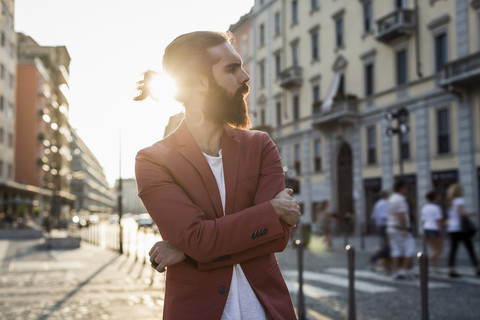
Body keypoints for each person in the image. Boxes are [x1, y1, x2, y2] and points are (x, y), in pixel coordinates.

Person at [135, 31, 300, 320]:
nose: (245, 77)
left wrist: (186, 250)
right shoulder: (153, 161)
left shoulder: (260, 145)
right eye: (231, 68)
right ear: (199, 81)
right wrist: (269, 211)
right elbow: (200, 240)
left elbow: (278, 237)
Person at [445, 183, 480, 277]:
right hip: (460, 228)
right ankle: (477, 268)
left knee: (453, 250)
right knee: (470, 248)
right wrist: (472, 213)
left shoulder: (450, 202)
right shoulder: (459, 200)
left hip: (452, 228)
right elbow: (462, 213)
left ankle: (451, 269)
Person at [387, 180, 416, 280]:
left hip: (392, 228)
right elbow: (401, 215)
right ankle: (403, 270)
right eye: (405, 188)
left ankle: (396, 271)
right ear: (401, 188)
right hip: (400, 229)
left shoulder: (391, 198)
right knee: (410, 248)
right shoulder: (400, 199)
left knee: (396, 250)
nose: (407, 190)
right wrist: (404, 229)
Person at [420, 191, 443, 273]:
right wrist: (441, 231)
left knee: (433, 249)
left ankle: (435, 268)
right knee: (438, 250)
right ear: (435, 197)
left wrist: (423, 231)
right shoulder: (436, 208)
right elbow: (438, 221)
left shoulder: (425, 208)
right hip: (434, 229)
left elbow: (423, 221)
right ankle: (423, 263)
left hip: (427, 228)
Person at [369, 191, 390, 271]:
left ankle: (386, 264)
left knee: (386, 246)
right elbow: (384, 216)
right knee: (387, 247)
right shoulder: (384, 203)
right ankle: (374, 259)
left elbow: (373, 216)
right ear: (386, 195)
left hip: (381, 226)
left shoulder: (377, 204)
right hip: (385, 226)